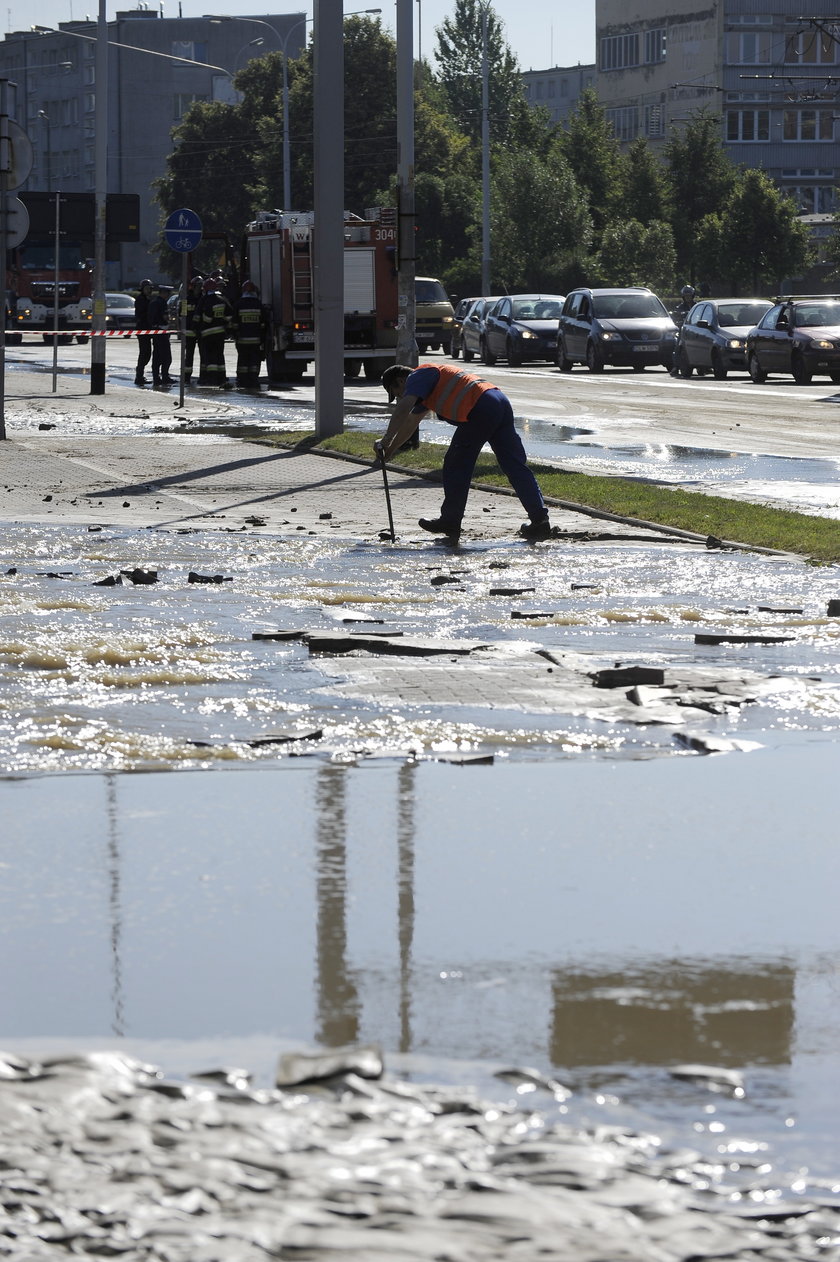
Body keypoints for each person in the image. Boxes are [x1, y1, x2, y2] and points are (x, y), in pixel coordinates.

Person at [375, 363, 551, 541]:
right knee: (514, 465)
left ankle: (450, 521)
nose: (400, 396)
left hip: (480, 408)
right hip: (498, 401)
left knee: (456, 464)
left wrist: (386, 439)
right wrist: (390, 450)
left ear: (401, 380)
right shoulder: (428, 386)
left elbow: (404, 408)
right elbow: (410, 423)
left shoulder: (418, 376)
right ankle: (540, 521)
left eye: (397, 392)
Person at [197, 277, 233, 387]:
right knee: (219, 356)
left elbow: (206, 318)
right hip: (220, 333)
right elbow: (229, 315)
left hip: (208, 334)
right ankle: (222, 378)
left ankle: (212, 379)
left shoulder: (205, 300)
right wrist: (223, 323)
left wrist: (200, 326)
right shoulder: (222, 299)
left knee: (210, 358)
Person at [233, 280, 267, 390]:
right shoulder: (259, 304)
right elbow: (263, 324)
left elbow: (234, 323)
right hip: (256, 340)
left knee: (243, 361)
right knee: (254, 361)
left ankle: (243, 380)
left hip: (242, 340)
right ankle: (253, 380)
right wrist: (262, 338)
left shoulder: (238, 304)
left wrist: (235, 336)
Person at [147, 285, 173, 387]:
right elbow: (165, 317)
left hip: (155, 331)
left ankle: (156, 378)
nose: (168, 295)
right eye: (168, 293)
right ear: (164, 293)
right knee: (166, 356)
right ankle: (165, 377)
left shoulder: (153, 302)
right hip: (162, 331)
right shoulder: (162, 303)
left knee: (157, 356)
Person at [182, 274, 204, 383]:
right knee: (189, 356)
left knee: (203, 355)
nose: (199, 288)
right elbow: (182, 315)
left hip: (201, 331)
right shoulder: (186, 299)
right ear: (193, 286)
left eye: (201, 286)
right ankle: (186, 377)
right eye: (198, 286)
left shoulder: (203, 299)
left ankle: (202, 377)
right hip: (189, 331)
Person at [133, 279, 154, 386]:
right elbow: (142, 315)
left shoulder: (147, 299)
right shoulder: (141, 300)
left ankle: (140, 375)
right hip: (142, 330)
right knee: (144, 353)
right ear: (142, 289)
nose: (149, 290)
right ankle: (139, 376)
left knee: (147, 353)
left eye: (150, 288)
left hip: (148, 330)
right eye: (147, 288)